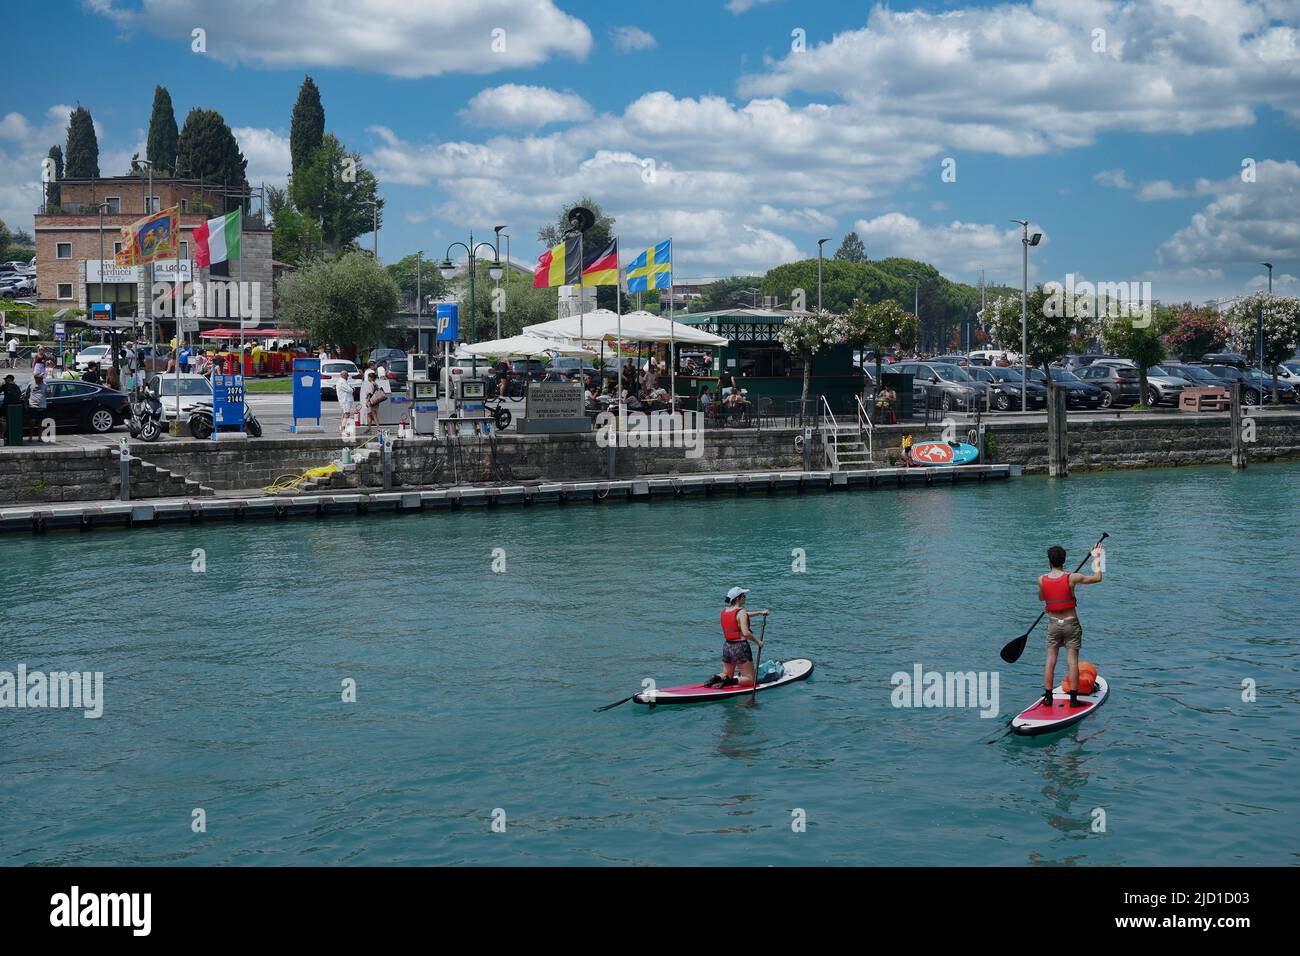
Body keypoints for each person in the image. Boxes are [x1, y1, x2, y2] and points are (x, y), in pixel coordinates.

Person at [1038, 543, 1105, 709]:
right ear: (1064, 561)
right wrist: (1097, 557)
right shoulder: (1072, 578)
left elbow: (1042, 598)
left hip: (1053, 623)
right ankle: (1074, 699)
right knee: (1072, 662)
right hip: (1071, 624)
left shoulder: (1041, 579)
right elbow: (1098, 578)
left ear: (1049, 562)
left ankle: (1048, 697)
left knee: (1050, 660)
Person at [706, 587, 769, 688]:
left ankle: (716, 677)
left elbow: (742, 616)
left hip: (727, 646)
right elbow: (746, 633)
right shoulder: (741, 612)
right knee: (751, 679)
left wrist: (760, 612)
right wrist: (758, 642)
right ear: (738, 599)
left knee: (727, 674)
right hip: (740, 648)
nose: (745, 597)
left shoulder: (725, 611)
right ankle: (731, 682)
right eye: (743, 595)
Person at [336, 369, 356, 434]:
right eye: (347, 375)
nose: (348, 376)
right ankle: (343, 430)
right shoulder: (342, 382)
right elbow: (349, 390)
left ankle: (342, 428)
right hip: (345, 400)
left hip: (345, 400)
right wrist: (352, 389)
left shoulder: (341, 381)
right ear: (344, 375)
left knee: (344, 414)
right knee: (346, 415)